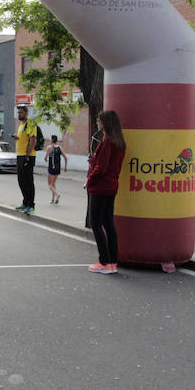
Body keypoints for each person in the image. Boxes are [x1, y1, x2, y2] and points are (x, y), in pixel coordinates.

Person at [84, 110, 127, 274]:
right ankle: (112, 262)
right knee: (109, 223)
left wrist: (90, 180)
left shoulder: (107, 142)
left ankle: (103, 261)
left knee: (95, 223)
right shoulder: (119, 142)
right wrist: (94, 160)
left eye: (99, 120)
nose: (97, 122)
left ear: (105, 123)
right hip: (112, 186)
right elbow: (108, 164)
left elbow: (102, 168)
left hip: (100, 187)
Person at [12, 105, 37, 214]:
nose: (19, 114)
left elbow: (33, 140)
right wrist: (17, 137)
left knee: (28, 181)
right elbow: (24, 138)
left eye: (21, 112)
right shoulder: (21, 125)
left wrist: (27, 155)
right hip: (20, 155)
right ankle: (25, 202)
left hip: (27, 156)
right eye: (18, 113)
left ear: (26, 113)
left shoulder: (30, 123)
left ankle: (31, 205)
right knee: (21, 181)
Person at [44, 135, 68, 204]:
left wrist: (47, 160)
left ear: (52, 140)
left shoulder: (49, 148)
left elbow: (45, 158)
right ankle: (53, 199)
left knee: (50, 185)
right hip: (58, 168)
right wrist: (65, 167)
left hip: (51, 168)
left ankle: (57, 194)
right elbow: (65, 157)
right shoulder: (60, 147)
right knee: (53, 184)